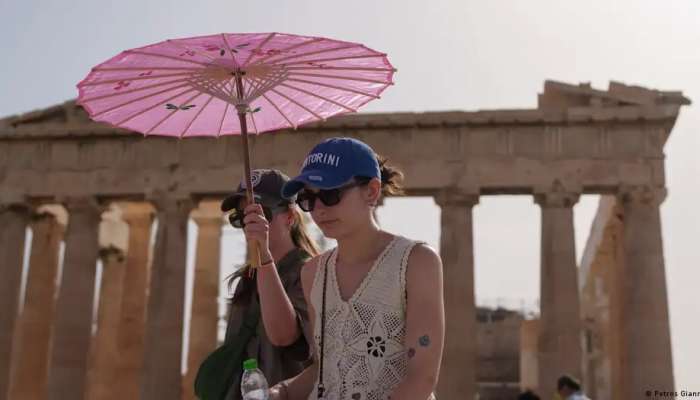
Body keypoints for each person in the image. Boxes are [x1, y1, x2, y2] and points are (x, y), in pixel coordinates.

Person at [252, 137, 444, 400]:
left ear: (372, 191)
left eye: (330, 194)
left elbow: (422, 377)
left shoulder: (417, 262)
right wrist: (280, 392)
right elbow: (325, 370)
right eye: (308, 199)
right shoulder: (312, 273)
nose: (318, 209)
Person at [221, 169, 320, 400]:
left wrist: (264, 256)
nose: (249, 223)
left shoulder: (310, 272)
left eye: (261, 213)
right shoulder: (245, 281)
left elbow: (286, 337)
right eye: (241, 216)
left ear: (290, 217)